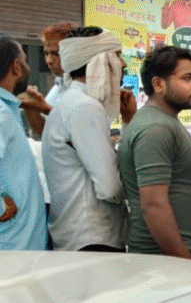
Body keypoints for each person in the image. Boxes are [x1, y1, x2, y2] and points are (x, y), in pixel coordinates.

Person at [42, 26, 132, 252]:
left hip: (81, 234)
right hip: (92, 237)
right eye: (117, 56)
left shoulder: (71, 101)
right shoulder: (84, 107)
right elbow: (109, 187)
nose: (121, 65)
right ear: (102, 63)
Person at [118, 46, 191, 260]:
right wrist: (184, 259)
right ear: (158, 84)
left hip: (172, 256)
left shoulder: (162, 121)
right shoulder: (156, 128)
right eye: (187, 78)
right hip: (165, 258)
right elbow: (153, 205)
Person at [0, 35, 47, 250]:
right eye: (26, 61)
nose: (29, 67)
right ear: (16, 67)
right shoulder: (1, 112)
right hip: (11, 243)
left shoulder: (8, 109)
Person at [20, 22, 76, 137]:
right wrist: (31, 108)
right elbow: (44, 131)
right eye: (46, 53)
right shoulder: (58, 86)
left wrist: (46, 109)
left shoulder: (87, 87)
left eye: (55, 53)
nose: (49, 60)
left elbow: (82, 132)